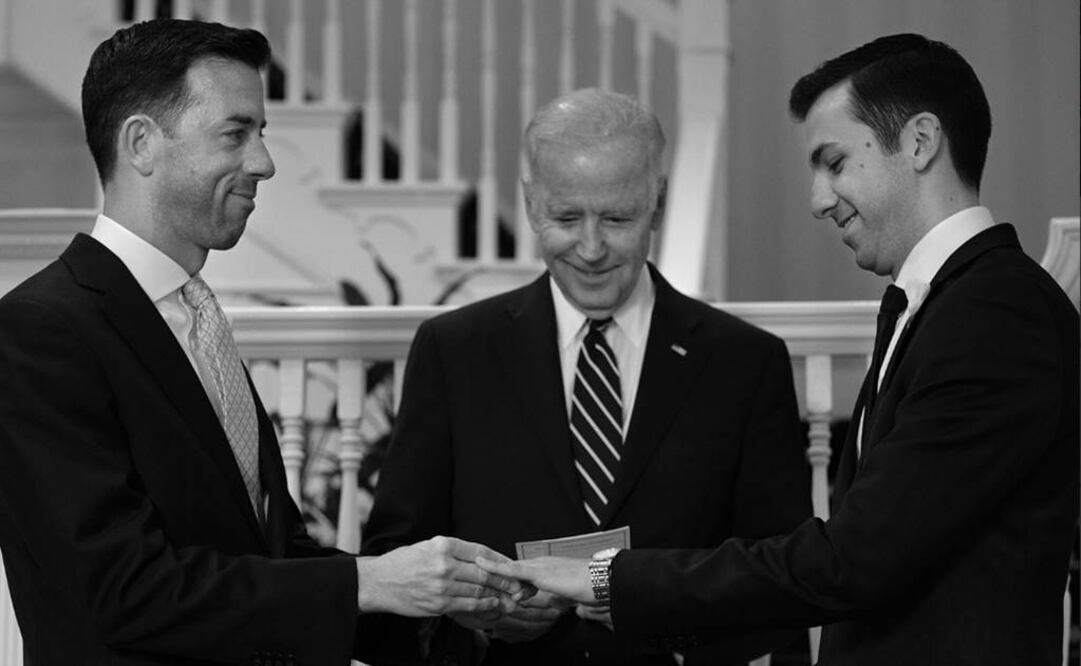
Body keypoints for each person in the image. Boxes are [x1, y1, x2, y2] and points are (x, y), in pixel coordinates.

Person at [478, 33, 1081, 666]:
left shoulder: (995, 311)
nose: (817, 199)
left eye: (835, 162)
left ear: (921, 142)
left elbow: (854, 558)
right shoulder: (949, 304)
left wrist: (609, 578)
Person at [0, 19, 524, 665]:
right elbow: (121, 591)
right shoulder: (41, 330)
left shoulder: (196, 316)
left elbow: (265, 557)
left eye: (263, 133)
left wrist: (439, 607)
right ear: (141, 143)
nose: (264, 162)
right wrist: (371, 581)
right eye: (235, 133)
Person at [357, 88, 811, 666]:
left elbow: (779, 574)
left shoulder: (744, 363)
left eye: (617, 218)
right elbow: (398, 555)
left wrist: (662, 612)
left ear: (658, 202)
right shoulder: (454, 352)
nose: (591, 248)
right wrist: (474, 611)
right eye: (566, 218)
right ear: (529, 204)